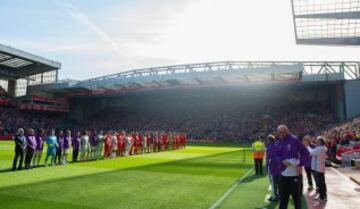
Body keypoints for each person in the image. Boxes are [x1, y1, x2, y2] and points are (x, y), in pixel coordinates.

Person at [276, 125, 310, 209]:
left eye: (282, 132)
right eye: (279, 132)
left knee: (297, 199)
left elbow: (305, 152)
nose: (280, 134)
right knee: (283, 199)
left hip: (294, 175)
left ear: (286, 131)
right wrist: (281, 160)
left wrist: (300, 165)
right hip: (283, 175)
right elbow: (276, 154)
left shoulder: (294, 140)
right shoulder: (280, 141)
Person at [310, 136, 328, 203]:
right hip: (320, 167)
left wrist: (307, 147)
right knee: (322, 183)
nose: (316, 142)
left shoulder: (319, 148)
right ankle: (323, 196)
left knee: (320, 183)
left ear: (320, 142)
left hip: (318, 168)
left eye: (317, 141)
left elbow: (310, 153)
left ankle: (322, 197)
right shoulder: (322, 148)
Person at [266, 134, 281, 202]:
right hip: (279, 167)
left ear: (269, 140)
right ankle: (278, 195)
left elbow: (271, 158)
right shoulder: (278, 145)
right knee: (278, 182)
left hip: (273, 167)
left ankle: (275, 196)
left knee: (273, 183)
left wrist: (268, 165)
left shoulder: (270, 147)